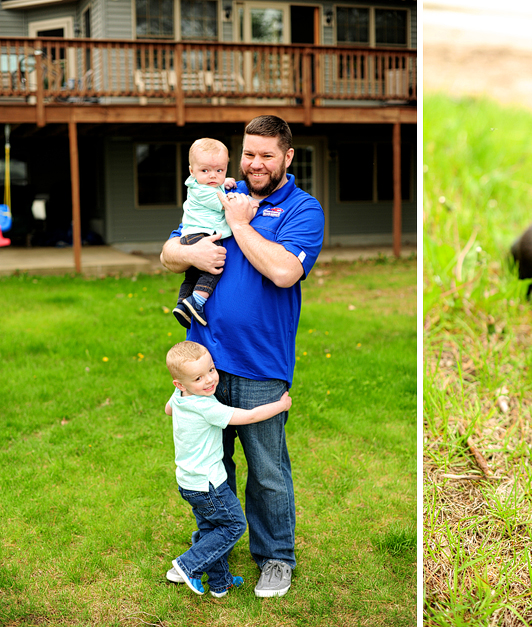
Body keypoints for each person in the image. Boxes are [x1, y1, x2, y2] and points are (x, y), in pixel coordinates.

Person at [160, 115, 325, 598]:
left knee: (267, 472)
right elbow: (169, 253)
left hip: (260, 363)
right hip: (203, 364)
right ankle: (213, 550)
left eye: (267, 155)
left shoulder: (301, 208)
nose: (255, 163)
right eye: (249, 153)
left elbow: (283, 272)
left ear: (287, 157)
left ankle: (276, 558)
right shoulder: (220, 194)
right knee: (213, 467)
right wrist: (189, 256)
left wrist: (238, 224)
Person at [165, 341, 292, 597]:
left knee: (212, 528)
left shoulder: (180, 397)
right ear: (180, 384)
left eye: (211, 370)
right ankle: (188, 564)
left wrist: (191, 388)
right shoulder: (207, 406)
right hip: (209, 485)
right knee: (233, 526)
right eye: (198, 378)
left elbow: (168, 410)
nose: (210, 380)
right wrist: (280, 406)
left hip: (188, 483)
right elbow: (249, 417)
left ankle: (220, 582)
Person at [172, 138, 250, 330]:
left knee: (191, 276)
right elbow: (225, 204)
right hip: (203, 237)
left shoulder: (203, 184)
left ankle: (183, 304)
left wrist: (227, 181)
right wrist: (247, 202)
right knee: (214, 266)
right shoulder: (203, 191)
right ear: (192, 171)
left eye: (219, 171)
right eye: (205, 171)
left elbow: (218, 185)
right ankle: (197, 301)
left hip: (189, 237)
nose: (212, 176)